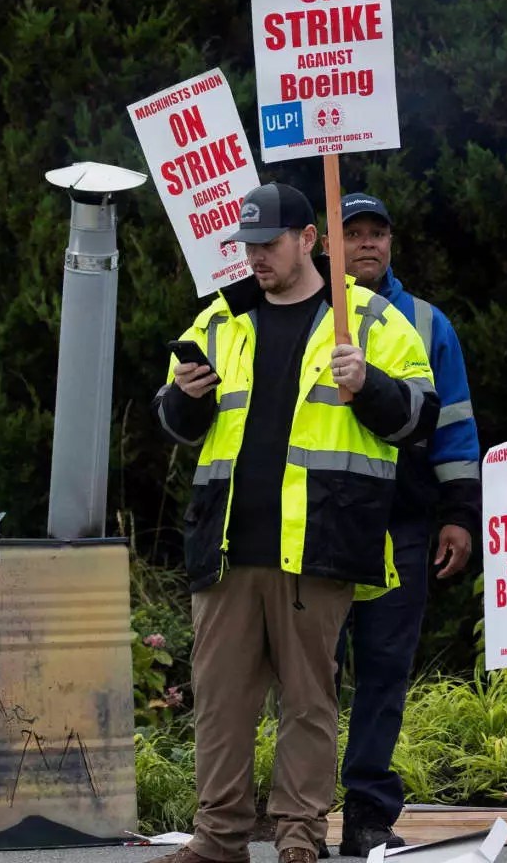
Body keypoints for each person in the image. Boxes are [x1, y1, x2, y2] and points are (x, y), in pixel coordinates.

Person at [152, 182, 437, 863]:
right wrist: (185, 399)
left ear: (309, 239)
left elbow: (420, 419)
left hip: (320, 542)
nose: (256, 257)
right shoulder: (216, 321)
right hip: (225, 545)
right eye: (247, 246)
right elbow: (175, 423)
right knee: (221, 704)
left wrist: (368, 382)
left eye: (269, 243)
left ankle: (299, 838)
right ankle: (219, 837)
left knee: (309, 703)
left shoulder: (368, 319)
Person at [328, 192, 481, 857]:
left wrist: (459, 515)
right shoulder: (303, 314)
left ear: (391, 242)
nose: (367, 244)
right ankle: (301, 809)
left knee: (386, 670)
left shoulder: (426, 321)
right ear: (327, 244)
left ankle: (367, 814)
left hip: (403, 522)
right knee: (311, 674)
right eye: (353, 232)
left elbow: (454, 426)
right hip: (321, 523)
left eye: (377, 233)